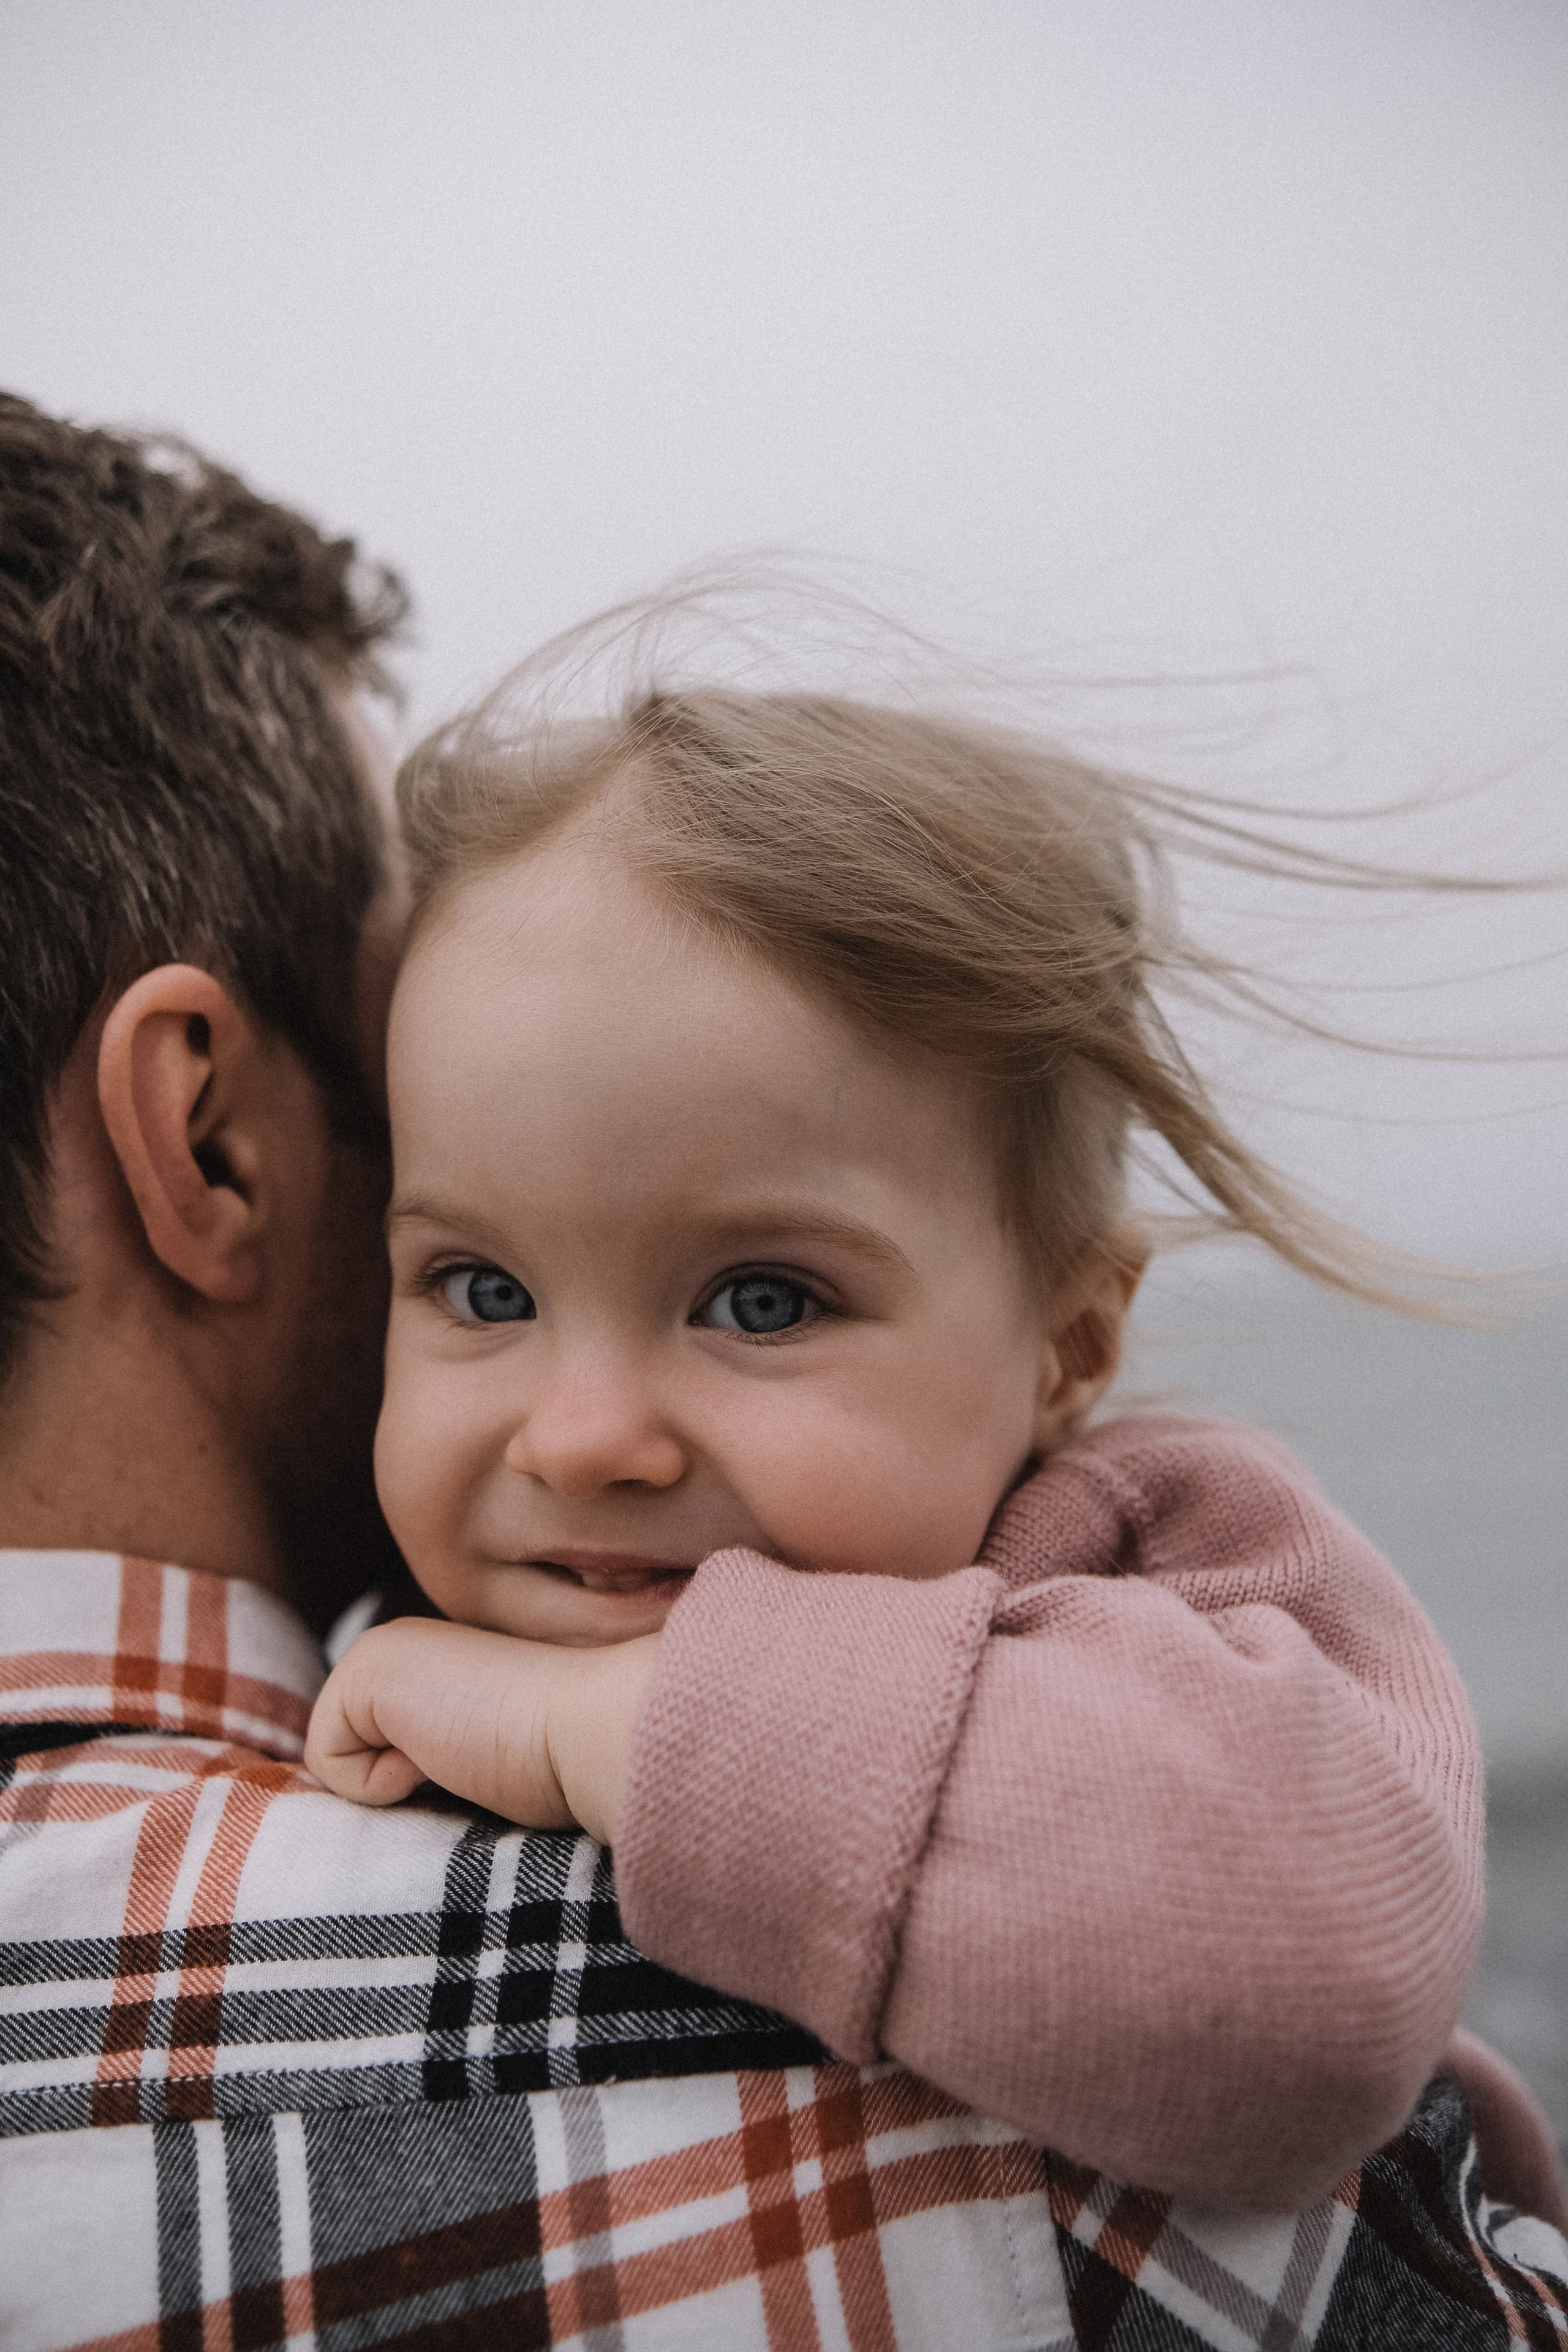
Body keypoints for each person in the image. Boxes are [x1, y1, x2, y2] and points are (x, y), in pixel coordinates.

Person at [1, 400, 1562, 2351]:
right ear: (213, 1142)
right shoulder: (1020, 2206)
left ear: (1073, 1342)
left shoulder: (1153, 1559)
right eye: (476, 1280)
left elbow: (1311, 1972)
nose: (583, 1437)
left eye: (759, 1302)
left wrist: (609, 1743)